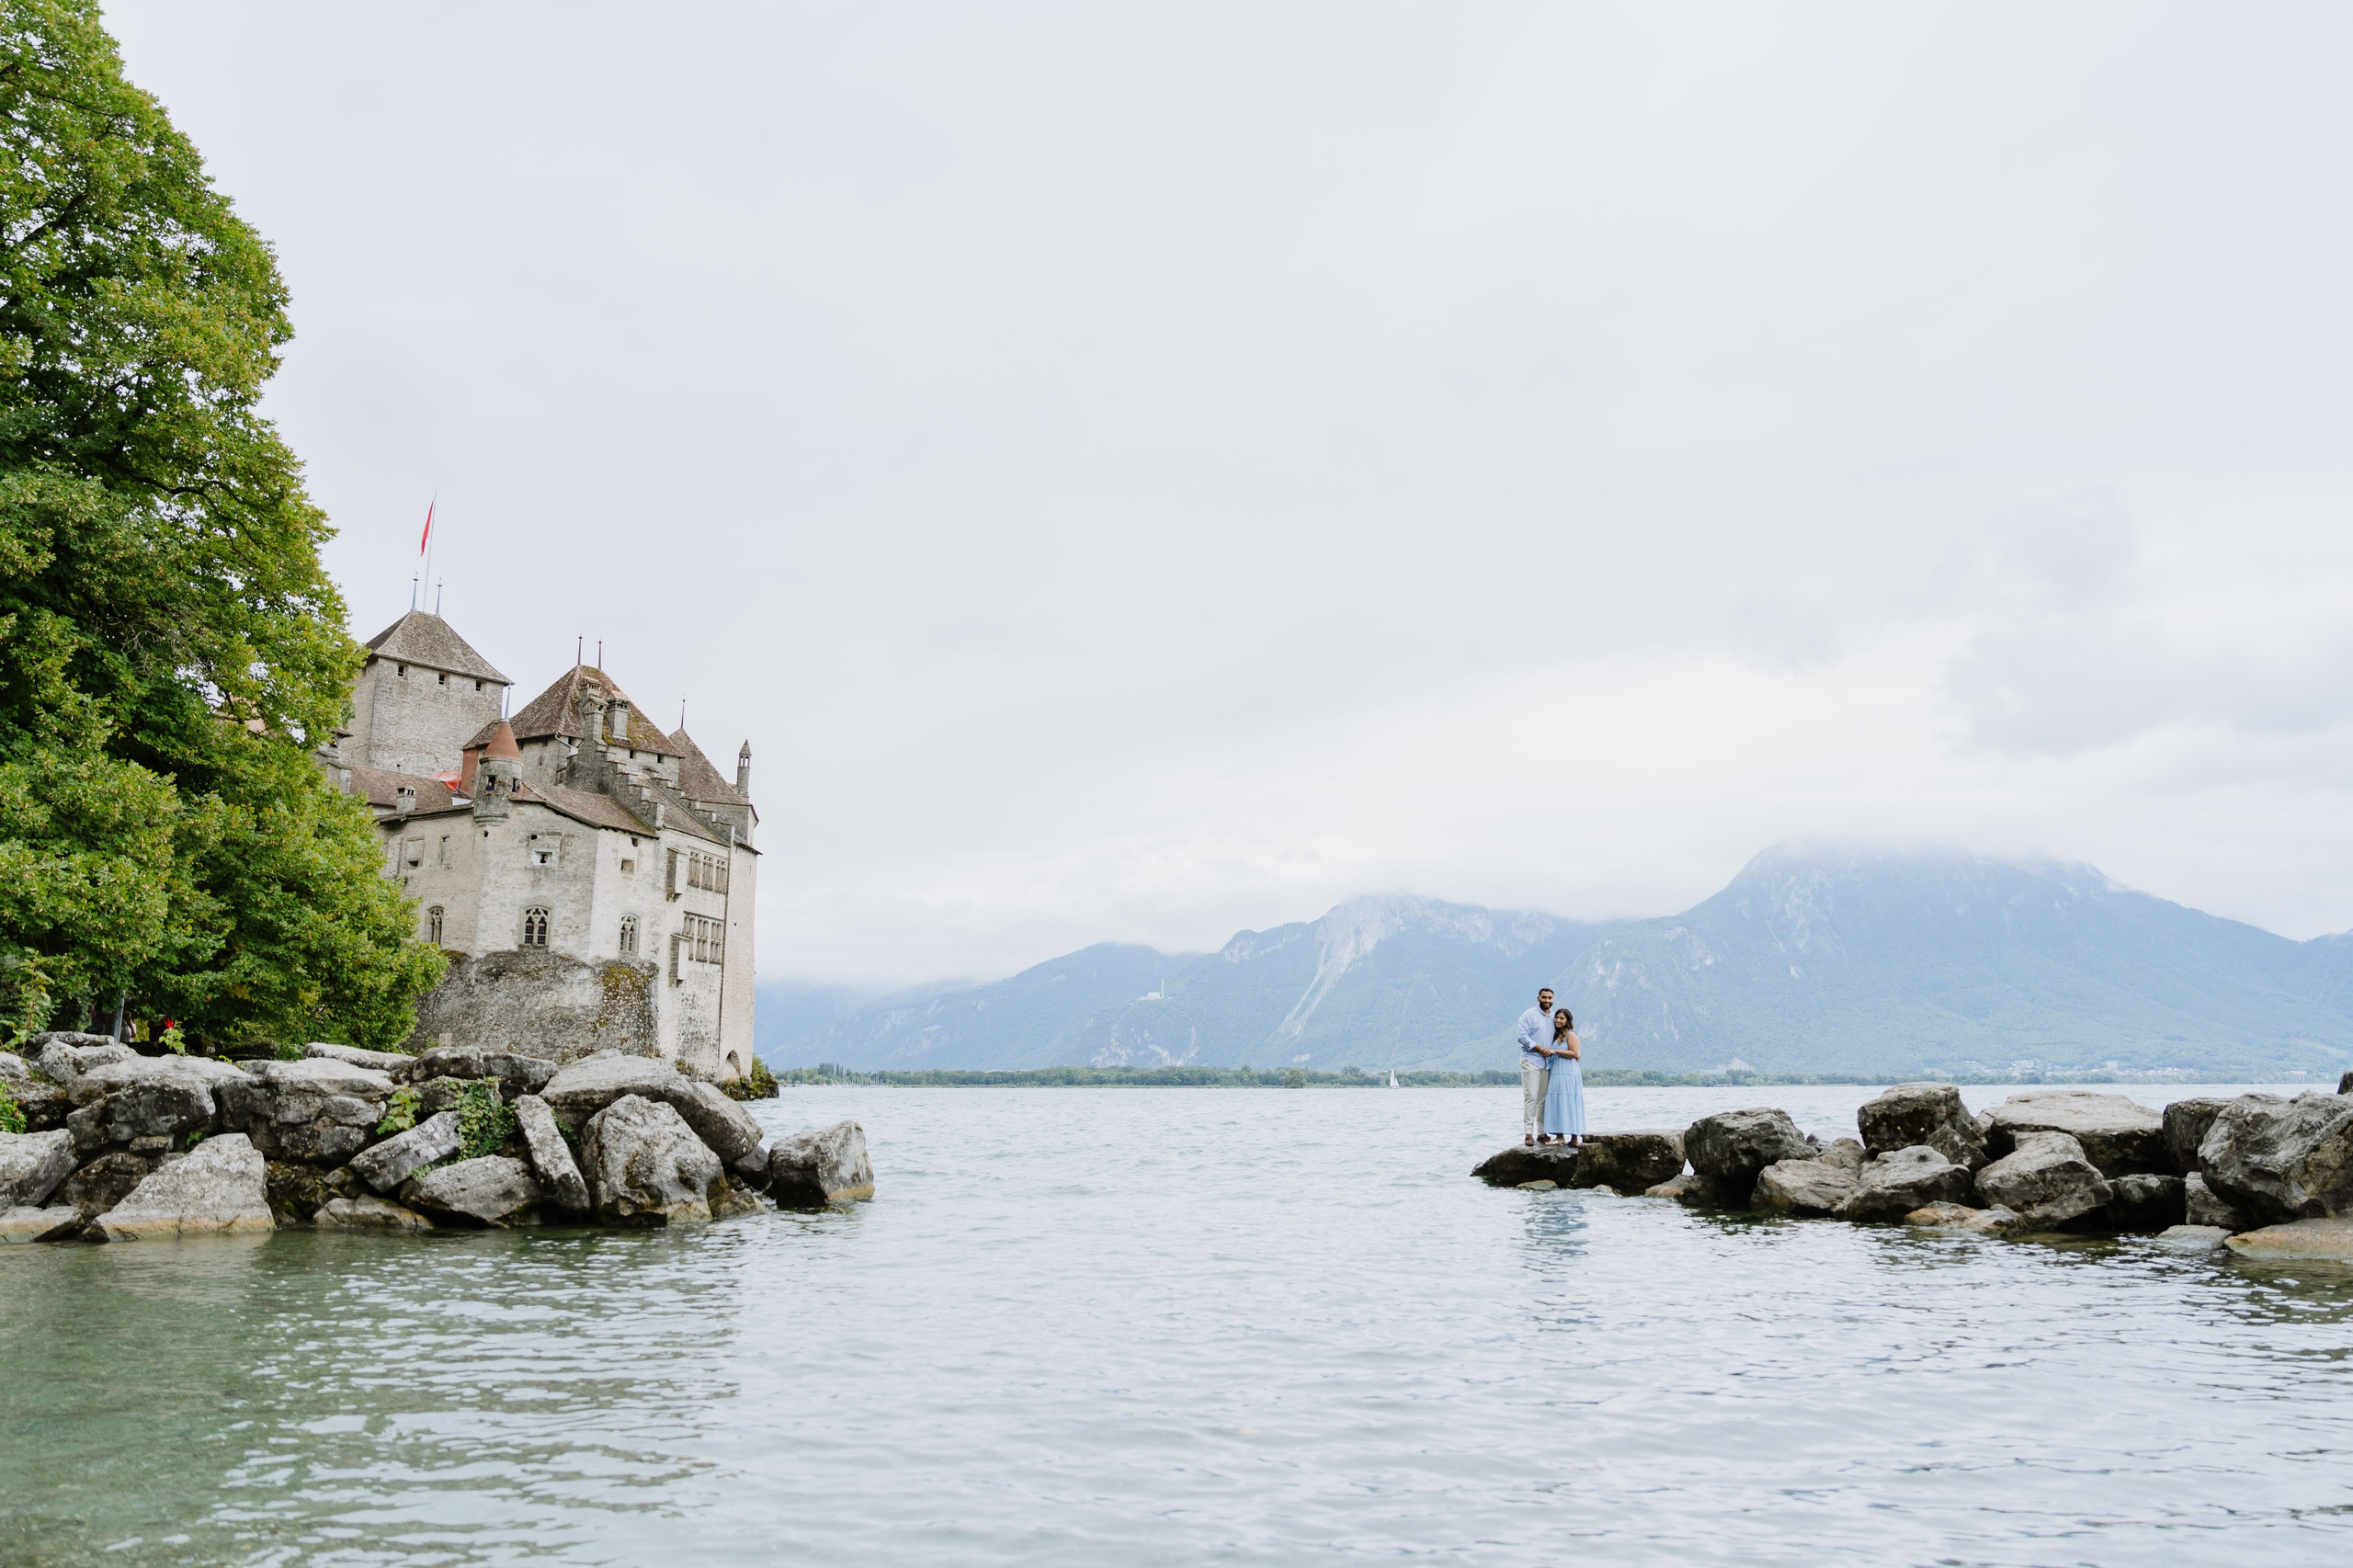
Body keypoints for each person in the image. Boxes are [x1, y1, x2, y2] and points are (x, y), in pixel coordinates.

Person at [1540, 1007, 1586, 1147]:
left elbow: (1575, 1052)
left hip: (1568, 1072)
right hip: (1557, 1071)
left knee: (1569, 1100)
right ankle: (1560, 1136)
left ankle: (1573, 1137)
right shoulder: (1556, 1035)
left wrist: (1555, 1051)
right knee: (1558, 1101)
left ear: (1567, 1021)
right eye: (1557, 1017)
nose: (1558, 1020)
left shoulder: (1571, 1034)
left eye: (1562, 1018)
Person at [1517, 987, 1555, 1145]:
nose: (1547, 1000)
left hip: (1548, 1063)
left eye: (1550, 998)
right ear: (1538, 998)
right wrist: (1539, 1048)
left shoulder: (1555, 1017)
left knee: (1543, 1099)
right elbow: (1522, 1037)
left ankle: (1542, 1132)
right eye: (1544, 997)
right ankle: (1528, 1133)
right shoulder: (1529, 1015)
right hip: (1531, 1060)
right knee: (1531, 1096)